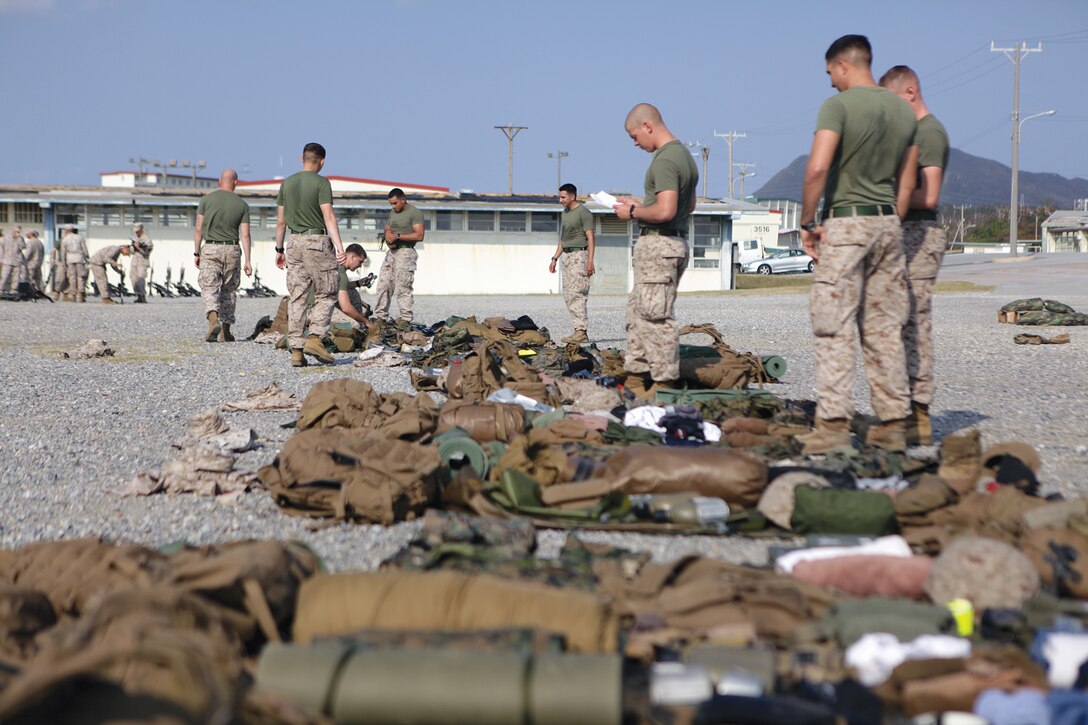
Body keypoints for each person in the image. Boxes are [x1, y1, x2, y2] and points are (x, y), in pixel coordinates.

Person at [798, 35, 919, 453]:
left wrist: (807, 221)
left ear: (843, 65)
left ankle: (832, 426)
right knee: (884, 327)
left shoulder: (840, 106)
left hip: (848, 223)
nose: (830, 81)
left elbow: (817, 168)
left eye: (830, 72)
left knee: (834, 323)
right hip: (889, 222)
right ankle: (894, 424)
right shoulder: (904, 113)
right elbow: (908, 180)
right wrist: (889, 222)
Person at [880, 65, 951, 446]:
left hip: (920, 234)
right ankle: (903, 409)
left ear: (910, 92)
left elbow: (930, 193)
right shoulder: (910, 133)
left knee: (915, 325)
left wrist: (890, 200)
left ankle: (919, 414)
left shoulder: (929, 132)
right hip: (902, 233)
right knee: (897, 322)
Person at [612, 103, 697, 397]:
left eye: (635, 136)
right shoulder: (683, 156)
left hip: (661, 242)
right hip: (670, 241)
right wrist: (644, 204)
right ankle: (637, 376)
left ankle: (663, 383)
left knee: (655, 316)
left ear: (648, 126)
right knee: (639, 311)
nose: (636, 144)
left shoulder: (665, 159)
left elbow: (666, 210)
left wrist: (633, 212)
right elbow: (690, 205)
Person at [274, 142, 348, 367]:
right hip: (317, 241)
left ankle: (296, 350)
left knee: (297, 296)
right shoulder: (322, 183)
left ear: (301, 158)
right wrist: (340, 247)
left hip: (293, 242)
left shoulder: (286, 184)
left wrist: (278, 249)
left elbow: (280, 222)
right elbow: (329, 216)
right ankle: (315, 338)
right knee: (327, 291)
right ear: (322, 161)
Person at [195, 168, 253, 342]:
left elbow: (198, 229)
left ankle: (213, 318)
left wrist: (196, 252)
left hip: (211, 248)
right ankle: (226, 330)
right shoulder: (242, 205)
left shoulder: (205, 200)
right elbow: (245, 235)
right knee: (229, 290)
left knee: (209, 286)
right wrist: (248, 260)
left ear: (220, 181)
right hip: (232, 249)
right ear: (236, 182)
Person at [549, 183, 596, 343]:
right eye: (560, 197)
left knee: (577, 293)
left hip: (579, 255)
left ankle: (581, 331)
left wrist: (590, 261)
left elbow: (591, 237)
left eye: (563, 197)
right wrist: (554, 258)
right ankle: (577, 329)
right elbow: (563, 239)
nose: (560, 200)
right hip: (567, 256)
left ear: (572, 196)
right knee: (569, 294)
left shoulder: (584, 213)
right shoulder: (565, 213)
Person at [372, 187, 424, 326]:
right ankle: (381, 317)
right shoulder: (393, 212)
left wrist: (398, 236)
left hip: (405, 252)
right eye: (391, 204)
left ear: (403, 199)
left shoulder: (414, 212)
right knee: (384, 284)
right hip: (392, 252)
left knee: (403, 286)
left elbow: (419, 235)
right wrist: (388, 233)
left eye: (395, 203)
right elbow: (388, 226)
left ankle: (405, 318)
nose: (393, 206)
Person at [61, 225, 90, 302]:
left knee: (72, 277)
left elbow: (63, 252)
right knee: (81, 276)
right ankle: (81, 294)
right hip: (79, 258)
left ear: (66, 231)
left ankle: (73, 295)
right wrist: (87, 258)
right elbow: (84, 249)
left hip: (70, 259)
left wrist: (64, 262)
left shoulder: (65, 239)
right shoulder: (79, 237)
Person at [129, 223, 153, 303]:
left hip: (142, 261)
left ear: (142, 229)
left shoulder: (147, 239)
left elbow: (147, 252)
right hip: (135, 261)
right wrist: (132, 247)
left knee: (140, 279)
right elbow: (132, 251)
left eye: (138, 231)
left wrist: (139, 248)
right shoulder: (135, 238)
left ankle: (142, 296)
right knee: (133, 277)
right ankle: (138, 295)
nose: (136, 233)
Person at [0, 226, 26, 293]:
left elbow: (23, 247)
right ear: (13, 231)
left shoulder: (21, 239)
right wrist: (1, 259)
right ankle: (1, 289)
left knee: (15, 278)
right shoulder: (5, 238)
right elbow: (1, 249)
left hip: (17, 261)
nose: (18, 233)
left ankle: (13, 290)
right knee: (4, 276)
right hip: (7, 260)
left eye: (19, 232)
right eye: (17, 232)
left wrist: (19, 239)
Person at [49, 233, 68, 299]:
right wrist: (52, 259)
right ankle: (57, 292)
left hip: (70, 262)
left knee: (68, 279)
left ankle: (66, 294)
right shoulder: (60, 241)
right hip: (61, 262)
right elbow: (53, 250)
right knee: (60, 278)